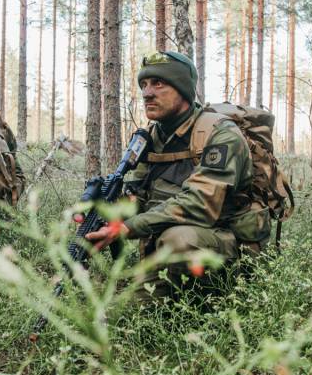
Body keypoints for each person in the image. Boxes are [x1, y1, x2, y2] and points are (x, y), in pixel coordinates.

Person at [85, 51, 269, 300]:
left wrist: (126, 228)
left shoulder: (220, 134)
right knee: (114, 316)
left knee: (179, 239)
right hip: (165, 253)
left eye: (158, 83)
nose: (147, 93)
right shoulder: (149, 139)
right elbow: (136, 198)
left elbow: (200, 204)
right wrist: (103, 218)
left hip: (224, 248)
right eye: (144, 84)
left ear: (183, 89)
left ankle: (213, 299)